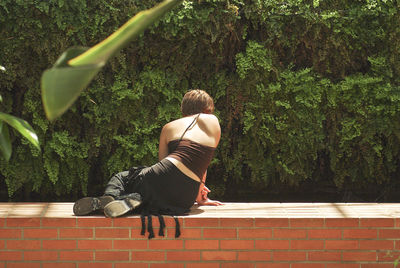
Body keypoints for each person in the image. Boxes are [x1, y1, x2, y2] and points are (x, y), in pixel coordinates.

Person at [73, 89, 223, 237]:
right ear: (207, 109)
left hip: (163, 175)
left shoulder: (169, 127)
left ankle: (111, 197)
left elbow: (162, 164)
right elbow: (203, 164)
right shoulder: (213, 122)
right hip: (185, 197)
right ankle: (132, 199)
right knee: (158, 200)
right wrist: (200, 196)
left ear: (184, 110)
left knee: (123, 177)